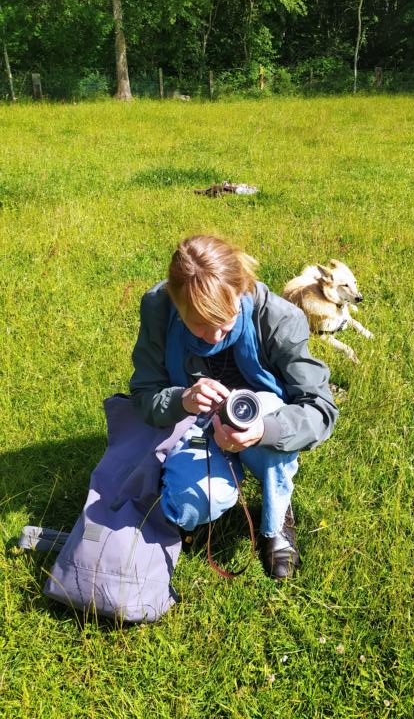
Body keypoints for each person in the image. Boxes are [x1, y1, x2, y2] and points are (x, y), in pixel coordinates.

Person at [129, 234, 338, 579]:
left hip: (265, 418)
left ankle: (275, 523)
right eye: (197, 324)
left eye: (224, 321)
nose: (213, 337)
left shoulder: (278, 318)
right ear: (176, 305)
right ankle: (195, 495)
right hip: (197, 423)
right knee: (188, 506)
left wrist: (263, 431)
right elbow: (144, 395)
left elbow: (320, 409)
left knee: (269, 410)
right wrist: (182, 399)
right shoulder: (159, 307)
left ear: (240, 291)